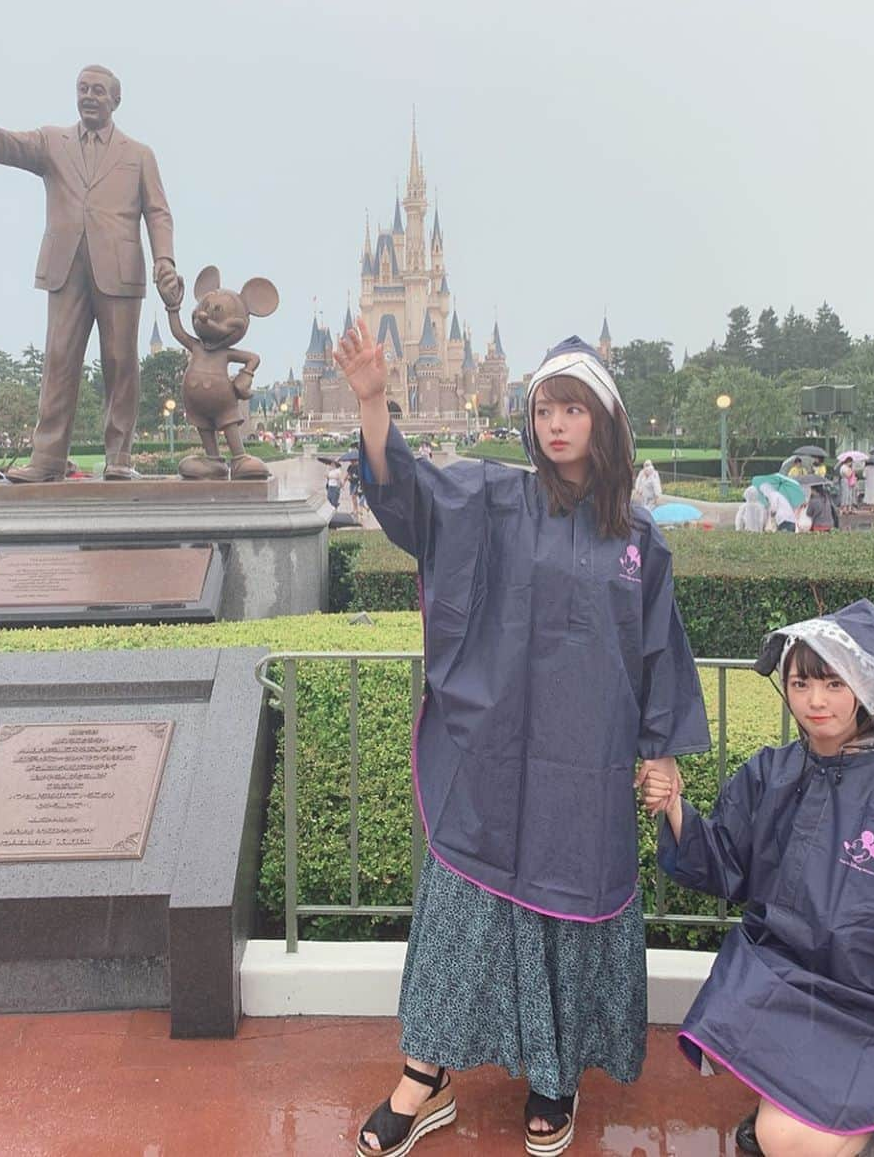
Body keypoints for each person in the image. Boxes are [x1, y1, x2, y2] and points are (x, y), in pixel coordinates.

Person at [334, 324, 710, 1157]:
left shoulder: (639, 540)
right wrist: (370, 400)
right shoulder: (495, 501)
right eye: (545, 408)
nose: (555, 424)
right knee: (466, 904)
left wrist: (661, 749)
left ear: (603, 422)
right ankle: (423, 1076)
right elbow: (410, 498)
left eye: (573, 409)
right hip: (496, 755)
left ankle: (554, 1075)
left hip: (588, 762)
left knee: (568, 910)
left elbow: (659, 651)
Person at [642, 600, 874, 1157]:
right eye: (800, 683)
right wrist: (675, 810)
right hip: (789, 986)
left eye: (833, 683)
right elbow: (725, 861)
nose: (814, 701)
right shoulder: (771, 773)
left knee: (789, 1141)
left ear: (868, 688)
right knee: (780, 1136)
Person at [0, 67, 183, 483]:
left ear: (115, 101)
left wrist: (166, 261)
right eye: (82, 89)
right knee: (58, 359)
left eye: (98, 91)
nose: (88, 96)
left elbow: (158, 212)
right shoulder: (52, 141)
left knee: (121, 364)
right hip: (65, 268)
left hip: (120, 271)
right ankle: (47, 460)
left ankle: (119, 458)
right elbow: (5, 146)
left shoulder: (139, 154)